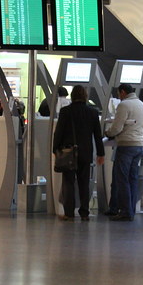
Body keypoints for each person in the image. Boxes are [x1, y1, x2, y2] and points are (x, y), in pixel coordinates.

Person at [53, 85, 105, 221]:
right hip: (86, 153)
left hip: (69, 152)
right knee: (84, 183)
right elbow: (97, 135)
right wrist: (101, 153)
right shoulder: (92, 112)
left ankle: (69, 213)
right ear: (85, 96)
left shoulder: (65, 112)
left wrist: (55, 149)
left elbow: (58, 132)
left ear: (72, 95)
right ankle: (84, 213)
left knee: (68, 183)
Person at [103, 83, 143, 221]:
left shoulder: (124, 105)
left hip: (126, 146)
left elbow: (117, 127)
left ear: (122, 92)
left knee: (122, 180)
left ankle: (125, 212)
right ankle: (130, 210)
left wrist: (108, 132)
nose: (118, 96)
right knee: (132, 179)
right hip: (138, 146)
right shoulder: (141, 104)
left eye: (118, 93)